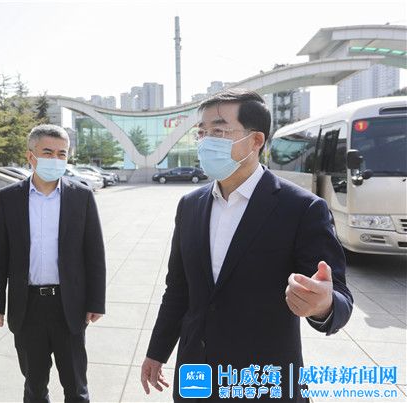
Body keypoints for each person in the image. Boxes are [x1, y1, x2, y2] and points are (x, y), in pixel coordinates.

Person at [141, 89, 353, 402]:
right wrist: (157, 352)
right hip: (196, 375)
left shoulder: (301, 208)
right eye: (202, 132)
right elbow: (178, 289)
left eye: (218, 131)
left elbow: (339, 296)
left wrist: (323, 305)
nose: (205, 141)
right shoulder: (190, 205)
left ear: (255, 141)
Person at [0, 124, 107, 402]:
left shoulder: (81, 196)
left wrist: (96, 301)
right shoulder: (9, 198)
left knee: (76, 388)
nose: (56, 159)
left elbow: (94, 254)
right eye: (48, 152)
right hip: (27, 307)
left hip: (69, 305)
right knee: (35, 387)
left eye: (62, 154)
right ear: (31, 156)